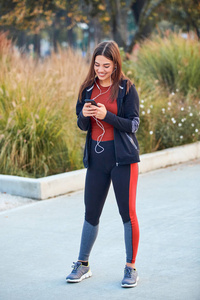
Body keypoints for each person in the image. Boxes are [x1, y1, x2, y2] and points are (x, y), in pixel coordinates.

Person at [66, 40, 140, 288]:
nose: (100, 69)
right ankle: (82, 264)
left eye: (106, 66)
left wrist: (106, 116)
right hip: (97, 161)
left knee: (127, 214)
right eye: (97, 64)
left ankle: (130, 268)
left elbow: (132, 125)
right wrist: (84, 116)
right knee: (91, 213)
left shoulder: (126, 88)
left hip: (123, 160)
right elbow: (81, 125)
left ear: (115, 64)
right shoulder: (87, 88)